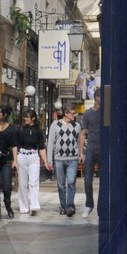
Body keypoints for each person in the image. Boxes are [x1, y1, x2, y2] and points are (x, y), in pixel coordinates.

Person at [43, 105, 82, 217]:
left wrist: (80, 154)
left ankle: (69, 206)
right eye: (72, 113)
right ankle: (63, 206)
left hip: (72, 159)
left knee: (70, 182)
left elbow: (79, 141)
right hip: (59, 159)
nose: (74, 115)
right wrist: (49, 160)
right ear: (66, 113)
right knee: (61, 185)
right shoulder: (55, 125)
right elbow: (50, 143)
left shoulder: (77, 126)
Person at [13, 110, 44, 215]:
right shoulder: (20, 130)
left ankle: (34, 206)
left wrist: (46, 161)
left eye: (28, 117)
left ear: (33, 118)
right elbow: (15, 146)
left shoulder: (38, 131)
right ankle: (24, 206)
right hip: (22, 156)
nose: (25, 119)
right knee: (22, 183)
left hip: (34, 157)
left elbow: (41, 147)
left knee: (33, 182)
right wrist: (15, 160)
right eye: (25, 117)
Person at [80, 87, 103, 217]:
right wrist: (80, 153)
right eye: (101, 97)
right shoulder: (87, 114)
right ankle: (89, 204)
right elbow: (82, 134)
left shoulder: (106, 113)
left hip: (103, 148)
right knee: (87, 178)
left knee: (103, 179)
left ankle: (101, 207)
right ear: (96, 98)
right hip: (91, 148)